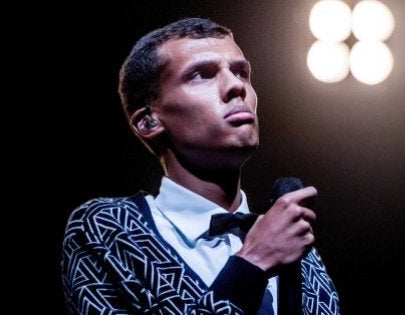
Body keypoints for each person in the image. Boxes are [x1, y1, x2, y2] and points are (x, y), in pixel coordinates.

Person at [61, 17, 340, 314]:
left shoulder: (297, 252)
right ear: (148, 121)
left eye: (241, 72)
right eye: (200, 75)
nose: (236, 86)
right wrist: (253, 263)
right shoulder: (108, 230)